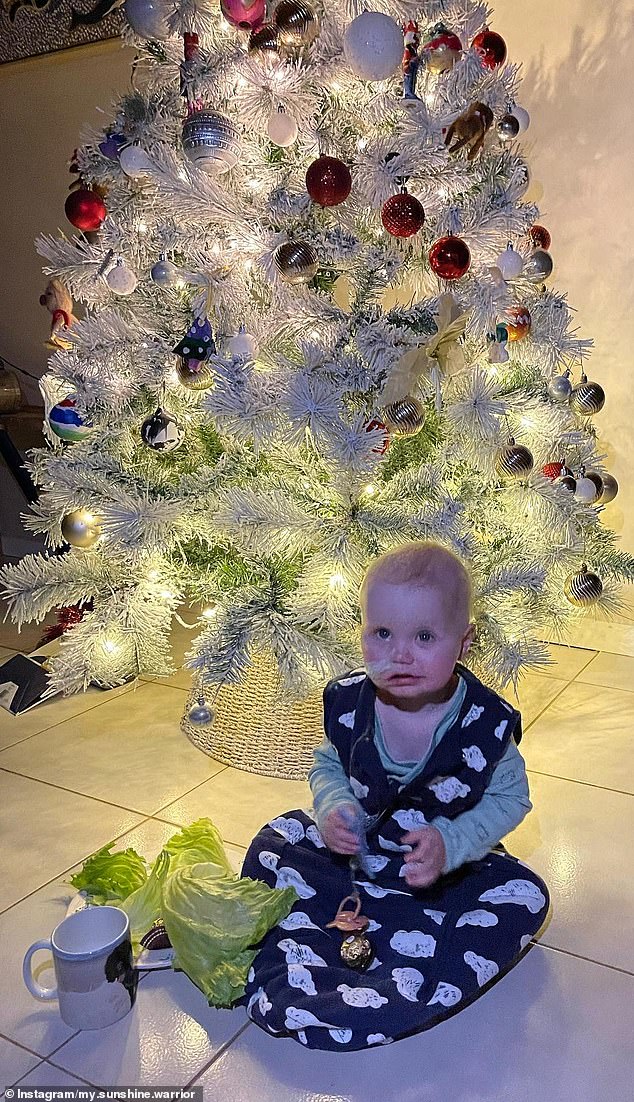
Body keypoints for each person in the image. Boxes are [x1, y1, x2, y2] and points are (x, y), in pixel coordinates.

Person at [241, 542, 550, 1051]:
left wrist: (451, 842)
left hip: (441, 869)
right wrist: (332, 806)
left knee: (523, 894)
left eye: (425, 636)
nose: (400, 654)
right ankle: (334, 951)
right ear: (361, 632)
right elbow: (326, 763)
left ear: (464, 641)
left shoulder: (484, 726)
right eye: (382, 633)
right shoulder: (350, 702)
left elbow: (512, 800)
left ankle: (402, 978)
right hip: (358, 857)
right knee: (283, 837)